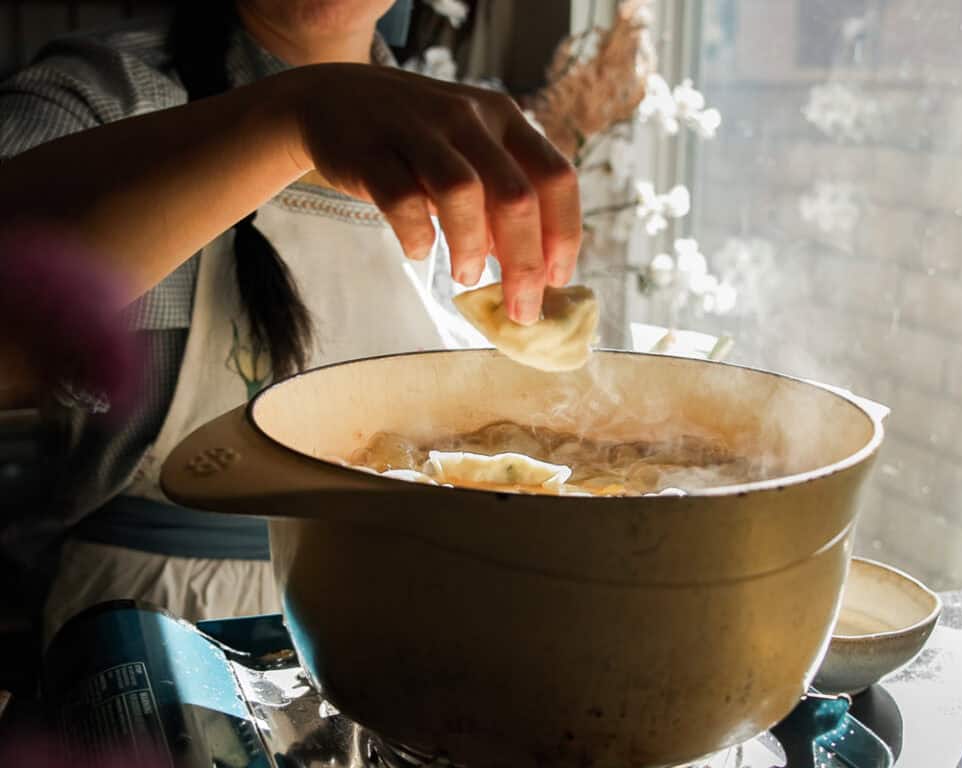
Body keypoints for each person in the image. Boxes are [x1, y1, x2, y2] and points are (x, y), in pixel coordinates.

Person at [0, 0, 581, 645]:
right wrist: (291, 119)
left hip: (413, 612)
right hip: (153, 628)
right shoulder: (101, 97)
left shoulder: (471, 150)